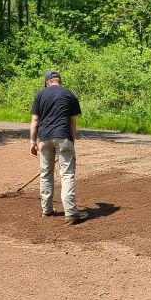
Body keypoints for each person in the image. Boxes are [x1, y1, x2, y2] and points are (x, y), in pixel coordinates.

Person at [29, 70, 89, 224]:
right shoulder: (69, 94)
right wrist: (72, 142)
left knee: (45, 174)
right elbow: (72, 122)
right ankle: (70, 212)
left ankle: (47, 210)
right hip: (63, 137)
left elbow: (35, 120)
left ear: (47, 82)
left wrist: (32, 142)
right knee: (67, 174)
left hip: (44, 139)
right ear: (59, 81)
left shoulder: (40, 95)